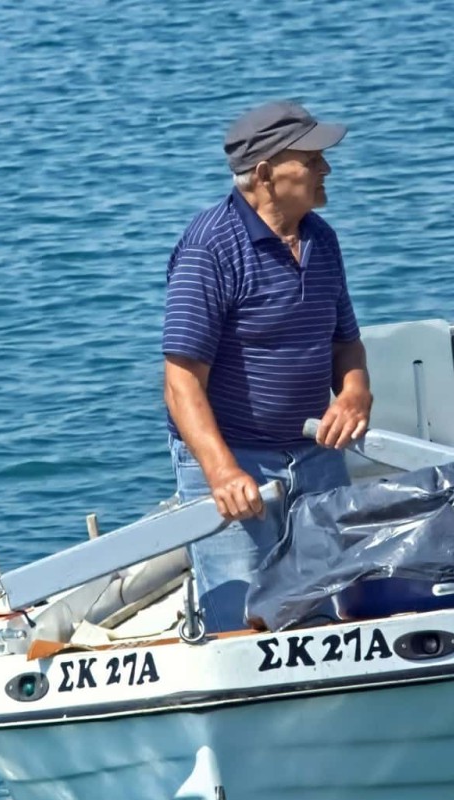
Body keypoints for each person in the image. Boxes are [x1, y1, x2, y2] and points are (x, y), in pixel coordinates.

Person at [162, 100, 372, 633]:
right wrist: (221, 472)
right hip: (238, 462)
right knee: (244, 626)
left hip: (316, 457)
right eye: (312, 158)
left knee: (323, 621)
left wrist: (353, 394)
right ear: (264, 175)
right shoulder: (209, 249)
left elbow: (346, 344)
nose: (327, 168)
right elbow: (181, 382)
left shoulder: (322, 240)